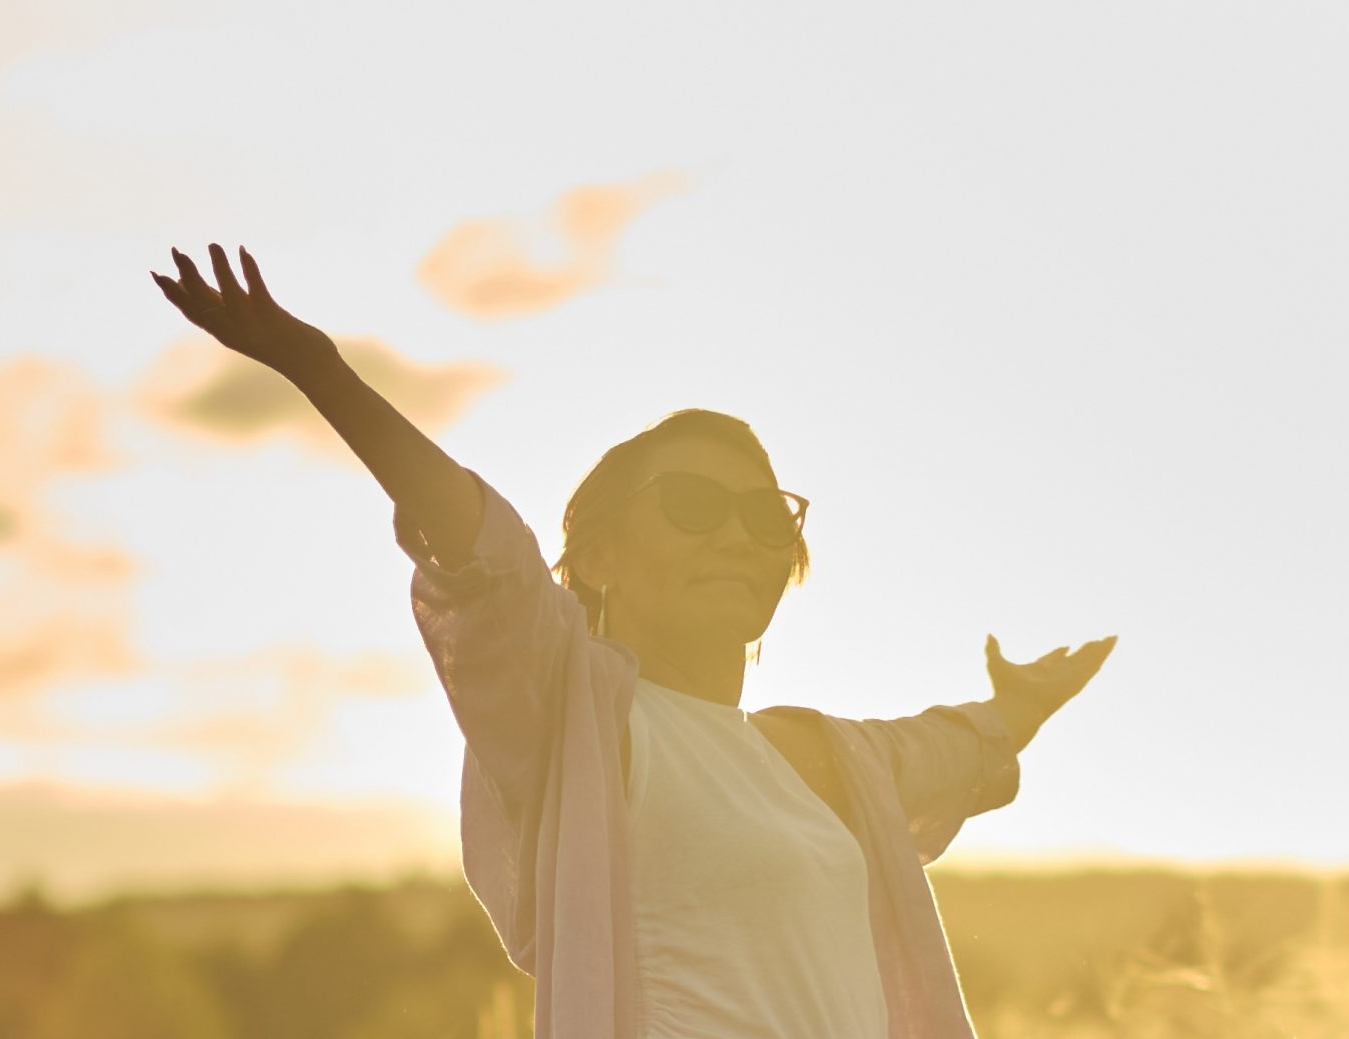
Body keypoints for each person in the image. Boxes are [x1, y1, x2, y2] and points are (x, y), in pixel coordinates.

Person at [151, 243, 1113, 1039]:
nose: (737, 534)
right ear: (599, 557)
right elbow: (481, 547)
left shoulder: (829, 758)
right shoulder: (575, 712)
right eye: (692, 505)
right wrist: (320, 372)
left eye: (765, 515)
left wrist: (1022, 705)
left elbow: (959, 745)